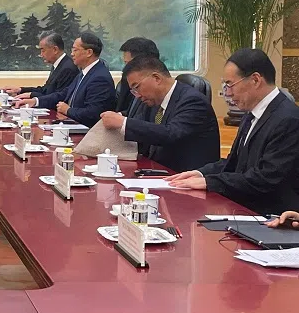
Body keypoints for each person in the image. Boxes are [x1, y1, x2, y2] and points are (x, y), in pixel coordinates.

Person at [166, 49, 299, 214]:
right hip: (244, 209)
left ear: (256, 80)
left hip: (272, 217)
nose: (227, 93)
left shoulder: (288, 119)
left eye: (230, 84)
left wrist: (211, 182)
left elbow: (266, 178)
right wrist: (200, 173)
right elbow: (235, 163)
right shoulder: (251, 114)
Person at [99, 56, 219, 172]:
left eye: (137, 87)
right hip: (158, 171)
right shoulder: (154, 101)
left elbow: (171, 134)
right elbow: (146, 131)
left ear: (156, 78)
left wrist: (123, 123)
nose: (137, 95)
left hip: (186, 177)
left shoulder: (192, 101)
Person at [15, 32, 115, 128]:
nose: (71, 54)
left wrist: (68, 110)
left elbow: (93, 113)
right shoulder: (85, 72)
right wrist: (36, 101)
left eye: (75, 50)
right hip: (73, 125)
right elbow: (63, 94)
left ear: (89, 52)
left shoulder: (100, 78)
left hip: (87, 133)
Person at [1, 31, 78, 100]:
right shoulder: (58, 65)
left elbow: (57, 97)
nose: (41, 55)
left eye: (43, 50)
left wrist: (32, 96)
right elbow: (45, 90)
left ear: (55, 50)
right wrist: (20, 90)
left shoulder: (68, 68)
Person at [116, 37, 159, 115]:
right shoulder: (131, 82)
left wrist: (124, 122)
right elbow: (131, 112)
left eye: (128, 64)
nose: (125, 68)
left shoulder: (154, 94)